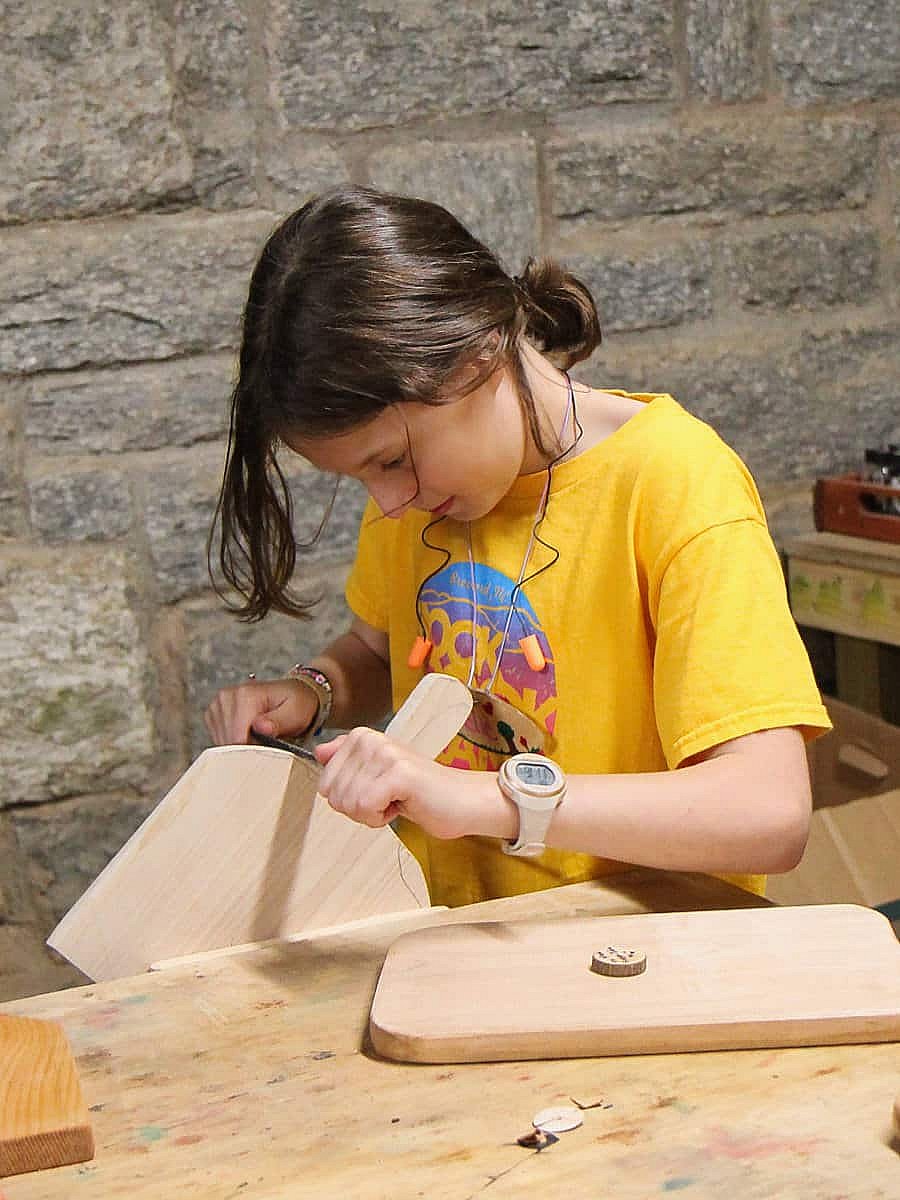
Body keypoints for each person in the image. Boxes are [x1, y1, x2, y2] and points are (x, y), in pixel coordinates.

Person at [204, 185, 831, 907]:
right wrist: (312, 692)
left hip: (640, 960)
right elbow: (380, 651)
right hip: (451, 946)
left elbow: (769, 814)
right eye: (358, 478)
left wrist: (489, 799)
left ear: (479, 352)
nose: (388, 502)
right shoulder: (422, 489)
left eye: (389, 461)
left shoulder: (676, 482)